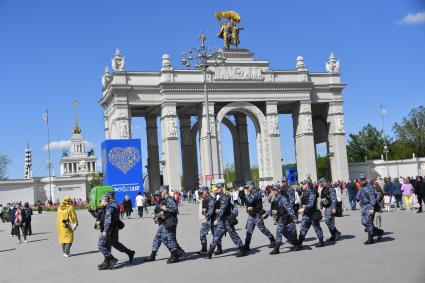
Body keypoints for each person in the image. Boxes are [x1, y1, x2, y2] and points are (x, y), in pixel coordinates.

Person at [206, 183, 246, 258]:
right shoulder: (217, 197)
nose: (217, 189)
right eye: (216, 187)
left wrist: (217, 220)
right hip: (221, 221)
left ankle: (242, 249)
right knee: (216, 236)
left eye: (218, 187)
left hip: (226, 220)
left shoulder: (225, 197)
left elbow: (222, 210)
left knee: (233, 235)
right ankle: (210, 252)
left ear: (222, 188)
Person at [144, 186, 182, 264]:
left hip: (169, 222)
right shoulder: (163, 201)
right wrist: (155, 215)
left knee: (168, 239)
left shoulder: (169, 199)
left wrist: (166, 209)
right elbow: (161, 212)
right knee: (158, 238)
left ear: (165, 191)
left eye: (161, 192)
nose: (159, 195)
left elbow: (175, 209)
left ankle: (175, 254)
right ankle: (153, 254)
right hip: (164, 222)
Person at [97, 192, 135, 270]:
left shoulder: (111, 206)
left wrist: (105, 230)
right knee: (112, 243)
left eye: (102, 200)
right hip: (111, 228)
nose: (101, 202)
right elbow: (101, 215)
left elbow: (108, 219)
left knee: (101, 245)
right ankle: (108, 261)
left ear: (108, 198)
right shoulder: (110, 205)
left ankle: (112, 259)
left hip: (110, 229)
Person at [243, 181, 275, 251]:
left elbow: (251, 201)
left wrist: (246, 195)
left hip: (257, 214)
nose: (247, 189)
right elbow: (247, 203)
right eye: (246, 188)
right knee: (249, 230)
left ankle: (272, 239)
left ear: (251, 186)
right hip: (251, 215)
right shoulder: (250, 193)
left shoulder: (256, 192)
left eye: (248, 187)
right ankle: (246, 245)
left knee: (262, 229)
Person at [268, 185, 298, 254]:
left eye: (274, 190)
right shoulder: (275, 198)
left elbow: (289, 208)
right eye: (273, 190)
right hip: (279, 217)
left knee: (279, 232)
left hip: (284, 217)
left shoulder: (283, 199)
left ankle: (276, 249)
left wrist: (294, 217)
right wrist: (266, 213)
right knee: (285, 232)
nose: (273, 191)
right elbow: (273, 209)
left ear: (278, 191)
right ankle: (296, 243)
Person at [295, 180, 325, 250]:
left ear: (308, 185)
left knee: (317, 228)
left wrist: (303, 209)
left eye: (304, 184)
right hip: (306, 214)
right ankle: (300, 243)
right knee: (303, 228)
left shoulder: (312, 192)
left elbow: (311, 204)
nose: (302, 185)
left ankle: (321, 241)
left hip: (312, 213)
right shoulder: (305, 192)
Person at [357, 175, 383, 245]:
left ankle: (370, 239)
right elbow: (361, 198)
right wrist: (361, 207)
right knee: (364, 222)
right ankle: (378, 232)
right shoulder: (361, 187)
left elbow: (372, 199)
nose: (362, 181)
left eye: (363, 179)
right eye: (360, 179)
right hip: (364, 207)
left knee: (368, 222)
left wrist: (372, 208)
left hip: (369, 206)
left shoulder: (370, 187)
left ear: (365, 179)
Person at [197, 186, 222, 255]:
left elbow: (210, 211)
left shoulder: (211, 199)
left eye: (201, 193)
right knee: (202, 233)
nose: (200, 194)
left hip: (212, 219)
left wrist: (205, 218)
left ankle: (219, 249)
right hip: (207, 220)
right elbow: (204, 210)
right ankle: (204, 248)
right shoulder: (205, 199)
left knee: (215, 234)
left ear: (205, 192)